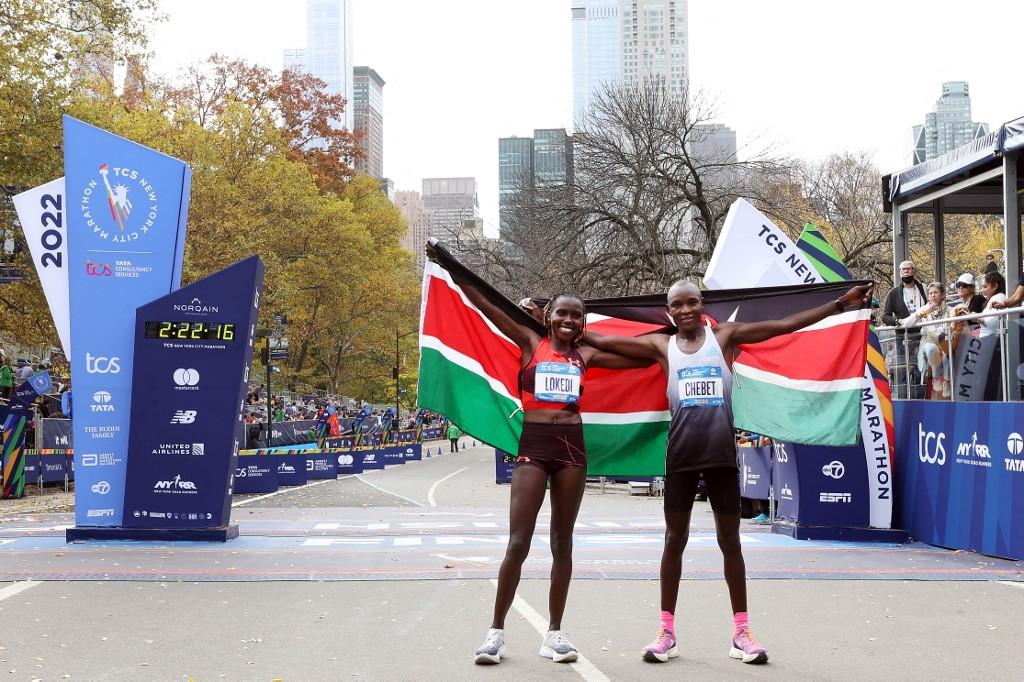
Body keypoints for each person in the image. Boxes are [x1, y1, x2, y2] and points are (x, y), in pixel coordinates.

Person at [585, 279, 873, 666]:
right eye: (676, 305)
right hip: (681, 459)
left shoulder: (725, 338)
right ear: (668, 310)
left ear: (701, 304)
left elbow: (784, 325)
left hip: (721, 457)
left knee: (730, 544)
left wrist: (839, 305)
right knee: (674, 541)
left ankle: (741, 632)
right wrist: (550, 323)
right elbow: (600, 341)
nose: (684, 310)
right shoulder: (661, 346)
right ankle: (665, 631)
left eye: (691, 303)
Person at [427, 244, 645, 666]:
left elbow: (644, 355)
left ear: (583, 322)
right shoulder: (530, 340)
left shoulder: (588, 353)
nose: (568, 320)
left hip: (572, 451)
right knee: (518, 542)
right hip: (534, 447)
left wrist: (592, 336)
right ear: (547, 317)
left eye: (576, 315)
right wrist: (449, 265)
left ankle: (555, 635)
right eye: (561, 313)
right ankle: (495, 634)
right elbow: (488, 304)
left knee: (563, 543)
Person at [902, 281, 953, 399]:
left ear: (943, 295)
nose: (933, 295)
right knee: (931, 349)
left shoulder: (950, 310)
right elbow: (907, 323)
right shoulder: (924, 310)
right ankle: (936, 378)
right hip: (928, 342)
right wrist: (921, 314)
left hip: (945, 342)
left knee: (945, 351)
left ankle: (946, 381)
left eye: (936, 292)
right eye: (930, 293)